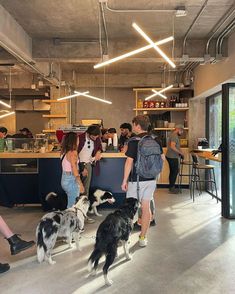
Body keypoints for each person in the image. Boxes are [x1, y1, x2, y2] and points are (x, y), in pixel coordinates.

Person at [121, 115, 158, 247]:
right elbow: (162, 159)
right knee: (146, 208)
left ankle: (126, 237)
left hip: (136, 180)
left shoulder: (133, 141)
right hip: (151, 179)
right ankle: (143, 238)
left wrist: (124, 180)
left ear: (137, 125)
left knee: (130, 210)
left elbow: (129, 163)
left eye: (134, 124)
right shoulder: (155, 139)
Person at [78, 125, 102, 223]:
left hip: (88, 165)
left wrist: (98, 152)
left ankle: (84, 215)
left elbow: (99, 147)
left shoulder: (96, 138)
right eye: (94, 136)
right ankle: (76, 214)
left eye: (97, 136)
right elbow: (74, 154)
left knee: (85, 190)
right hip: (78, 165)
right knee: (76, 190)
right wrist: (81, 168)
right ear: (88, 133)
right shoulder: (79, 138)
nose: (96, 138)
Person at [61, 132, 85, 208]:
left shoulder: (65, 151)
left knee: (71, 203)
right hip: (71, 180)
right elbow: (74, 170)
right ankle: (69, 219)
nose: (79, 140)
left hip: (65, 179)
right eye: (77, 139)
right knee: (73, 206)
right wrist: (80, 184)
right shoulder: (73, 153)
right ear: (74, 141)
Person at [165, 124, 185, 194]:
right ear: (178, 129)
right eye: (182, 131)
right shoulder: (174, 136)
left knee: (173, 172)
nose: (182, 133)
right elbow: (173, 146)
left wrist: (180, 152)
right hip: (172, 156)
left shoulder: (172, 134)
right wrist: (181, 153)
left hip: (170, 156)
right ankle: (172, 188)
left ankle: (171, 187)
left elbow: (174, 146)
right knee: (174, 172)